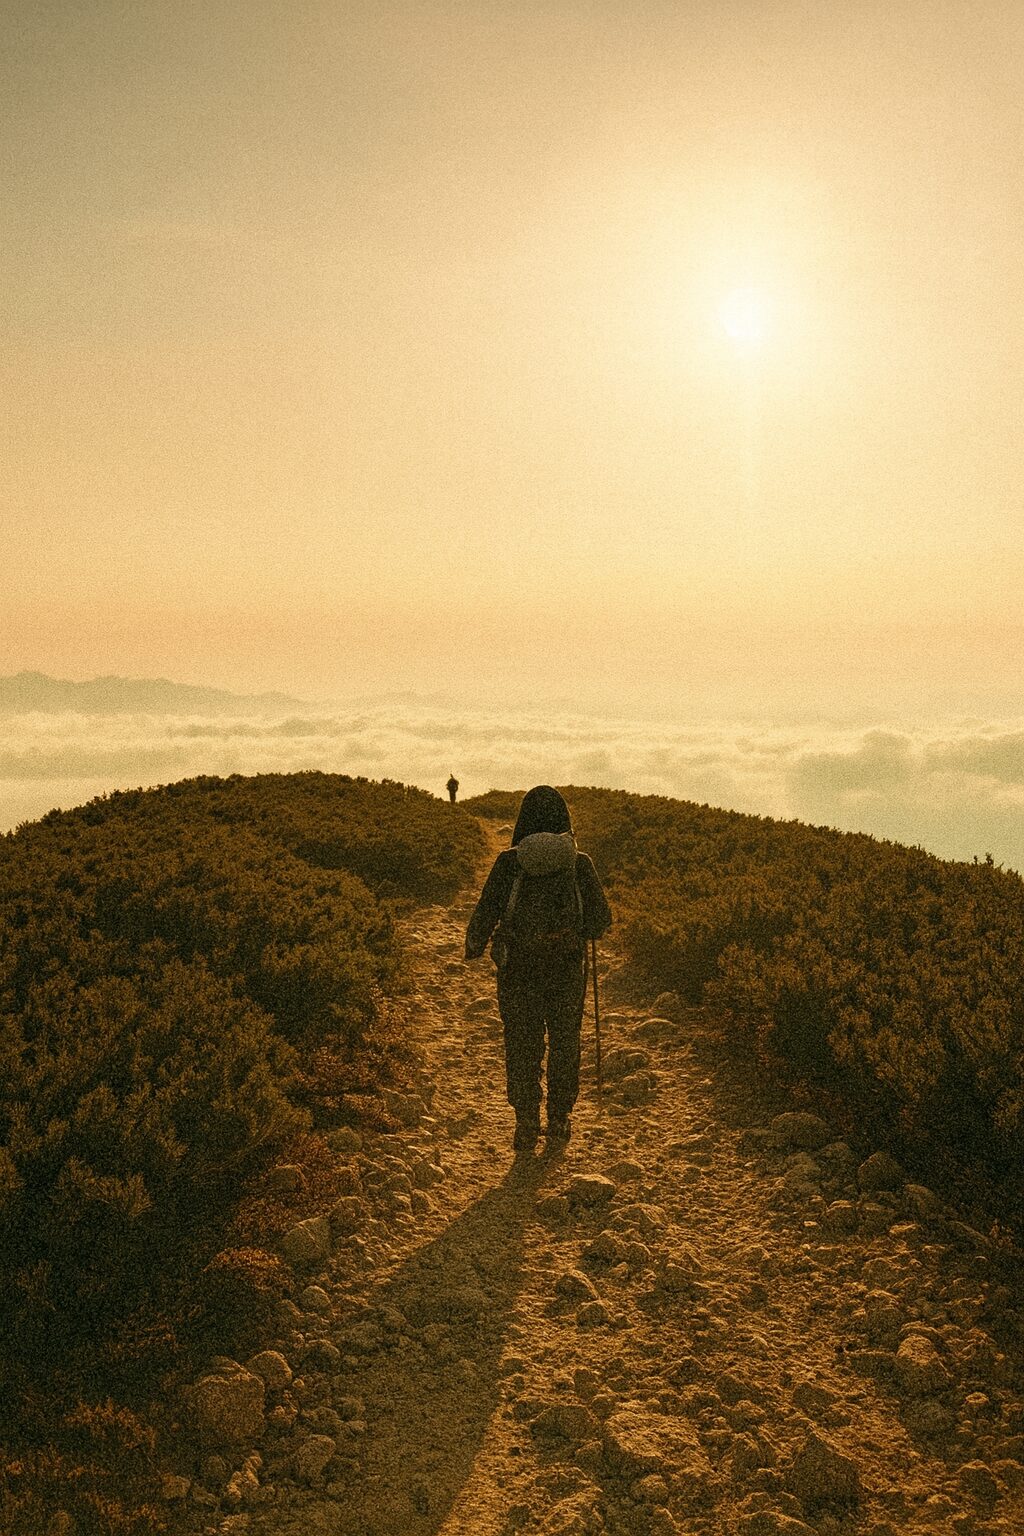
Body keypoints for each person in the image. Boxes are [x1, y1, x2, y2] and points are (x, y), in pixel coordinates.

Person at [464, 786, 612, 1152]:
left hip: (518, 970)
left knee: (521, 1043)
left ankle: (526, 1121)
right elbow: (600, 920)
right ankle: (559, 1118)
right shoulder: (579, 863)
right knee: (565, 1042)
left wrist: (474, 946)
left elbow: (486, 911)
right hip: (566, 970)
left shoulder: (508, 863)